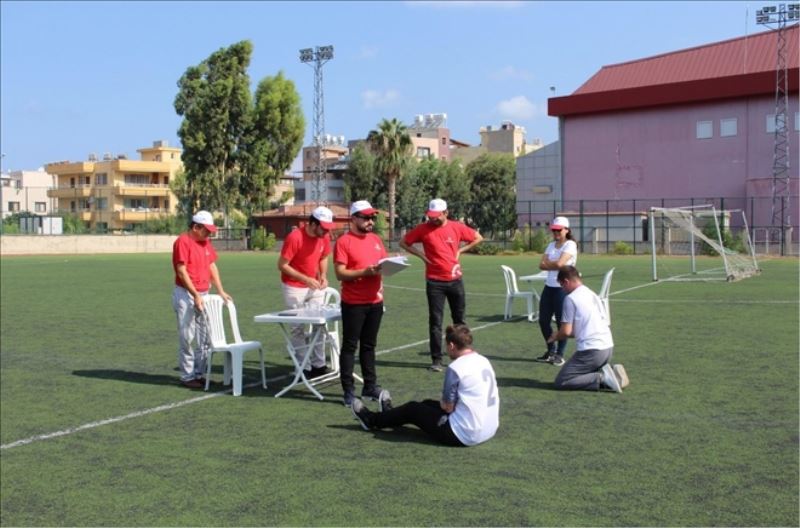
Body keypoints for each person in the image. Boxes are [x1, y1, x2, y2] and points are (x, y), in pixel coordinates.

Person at [351, 324, 499, 447]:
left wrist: (443, 402)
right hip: (489, 428)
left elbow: (448, 407)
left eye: (446, 346)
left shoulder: (457, 367)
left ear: (452, 345)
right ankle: (389, 415)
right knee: (426, 404)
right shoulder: (483, 360)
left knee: (413, 408)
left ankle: (371, 420)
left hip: (465, 434)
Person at [399, 198, 483, 372]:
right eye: (431, 216)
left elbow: (478, 238)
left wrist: (460, 250)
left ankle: (462, 354)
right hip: (434, 282)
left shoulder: (457, 227)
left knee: (460, 321)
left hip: (455, 281)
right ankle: (436, 360)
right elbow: (404, 242)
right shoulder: (423, 229)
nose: (433, 219)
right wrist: (422, 256)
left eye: (437, 216)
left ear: (446, 213)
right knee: (435, 322)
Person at [334, 200, 391, 407]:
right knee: (350, 347)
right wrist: (365, 272)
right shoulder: (344, 242)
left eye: (372, 218)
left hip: (375, 300)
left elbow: (383, 264)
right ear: (354, 218)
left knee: (369, 346)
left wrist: (390, 268)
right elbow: (340, 273)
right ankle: (348, 391)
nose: (370, 221)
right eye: (366, 217)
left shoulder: (376, 239)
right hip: (354, 303)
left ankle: (370, 386)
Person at [171, 210, 232, 389]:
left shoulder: (205, 243)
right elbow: (181, 271)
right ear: (195, 227)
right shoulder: (183, 241)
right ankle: (187, 376)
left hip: (204, 293)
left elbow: (212, 265)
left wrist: (220, 290)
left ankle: (200, 373)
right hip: (186, 294)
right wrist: (195, 295)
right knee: (187, 336)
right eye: (206, 230)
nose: (209, 234)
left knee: (205, 337)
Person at [548, 266, 629, 393]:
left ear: (566, 281)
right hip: (608, 349)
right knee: (579, 372)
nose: (562, 289)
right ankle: (611, 371)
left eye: (562, 286)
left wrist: (555, 336)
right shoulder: (592, 294)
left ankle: (604, 379)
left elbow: (566, 332)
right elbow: (580, 329)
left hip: (592, 352)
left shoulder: (570, 299)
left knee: (562, 381)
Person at [277, 206, 335, 379]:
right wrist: (305, 279)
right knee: (297, 328)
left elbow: (324, 256)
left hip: (314, 286)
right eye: (323, 228)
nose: (326, 232)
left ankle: (319, 365)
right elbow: (282, 265)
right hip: (294, 287)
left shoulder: (323, 237)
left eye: (328, 228)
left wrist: (323, 275)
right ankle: (303, 367)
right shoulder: (295, 237)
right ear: (312, 224)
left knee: (319, 324)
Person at [535, 216, 578, 367]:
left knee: (562, 322)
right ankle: (550, 350)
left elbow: (561, 264)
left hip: (562, 289)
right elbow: (541, 265)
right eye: (553, 230)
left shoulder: (570, 245)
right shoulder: (551, 245)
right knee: (543, 321)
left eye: (558, 230)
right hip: (549, 287)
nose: (556, 233)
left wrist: (550, 264)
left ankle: (560, 354)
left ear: (566, 230)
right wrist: (554, 265)